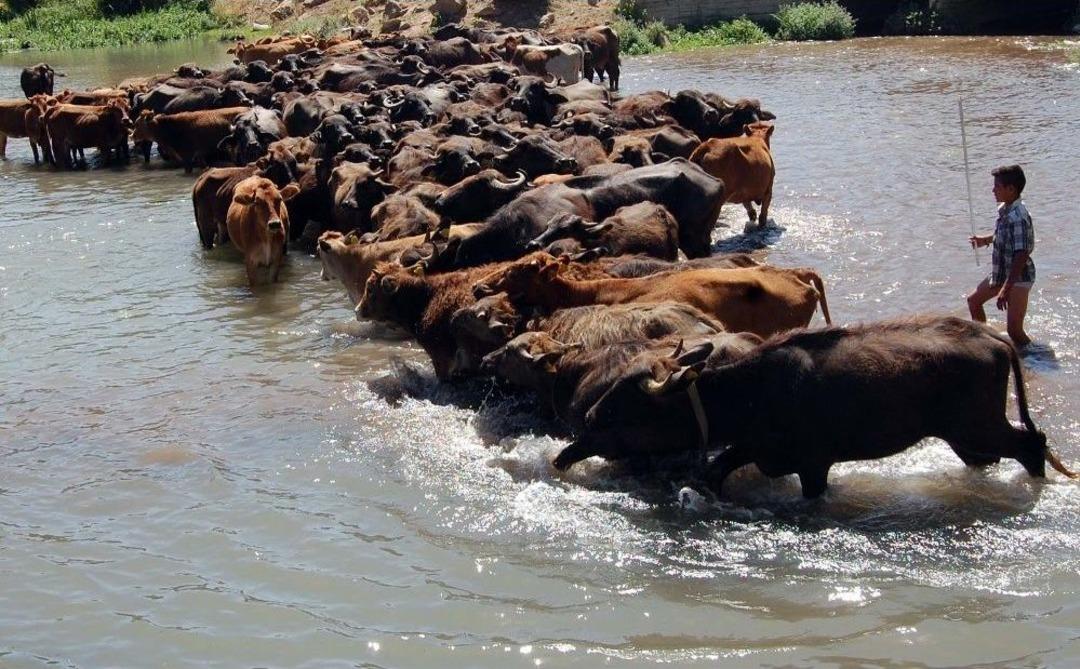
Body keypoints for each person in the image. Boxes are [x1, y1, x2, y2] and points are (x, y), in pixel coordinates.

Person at [967, 164, 1035, 348]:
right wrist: (985, 240)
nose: (993, 190)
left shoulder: (1018, 217)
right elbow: (1005, 236)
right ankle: (987, 346)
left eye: (997, 186)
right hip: (1002, 272)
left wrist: (1005, 289)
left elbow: (1021, 254)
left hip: (1018, 277)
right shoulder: (1006, 210)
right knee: (973, 301)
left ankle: (1037, 358)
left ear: (1011, 189)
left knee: (1014, 331)